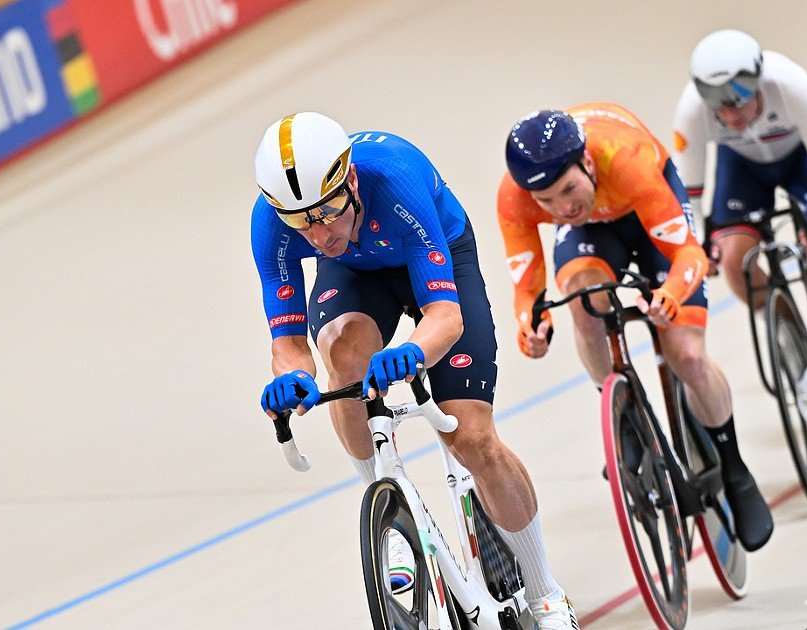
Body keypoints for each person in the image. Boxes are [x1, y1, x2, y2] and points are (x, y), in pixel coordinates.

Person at [252, 112, 578, 628]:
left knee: (471, 437)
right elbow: (289, 343)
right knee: (342, 353)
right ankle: (386, 506)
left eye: (330, 210)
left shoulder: (395, 177)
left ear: (350, 181)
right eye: (301, 221)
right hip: (359, 273)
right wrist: (293, 379)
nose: (319, 233)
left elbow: (444, 317)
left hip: (439, 255)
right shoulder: (272, 224)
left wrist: (415, 354)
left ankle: (546, 593)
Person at [498, 103, 774, 551]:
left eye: (567, 190)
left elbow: (690, 255)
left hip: (649, 215)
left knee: (685, 353)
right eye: (545, 202)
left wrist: (671, 296)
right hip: (595, 231)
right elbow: (527, 290)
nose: (560, 208)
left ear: (586, 163)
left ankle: (734, 464)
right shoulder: (516, 197)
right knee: (584, 303)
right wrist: (532, 325)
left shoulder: (626, 162)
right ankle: (622, 413)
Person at [673, 29, 807, 424]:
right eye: (721, 108)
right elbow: (689, 193)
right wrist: (700, 241)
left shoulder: (790, 84)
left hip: (802, 160)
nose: (733, 114)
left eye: (740, 100)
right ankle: (792, 343)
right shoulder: (692, 109)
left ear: (758, 83)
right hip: (742, 167)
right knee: (737, 262)